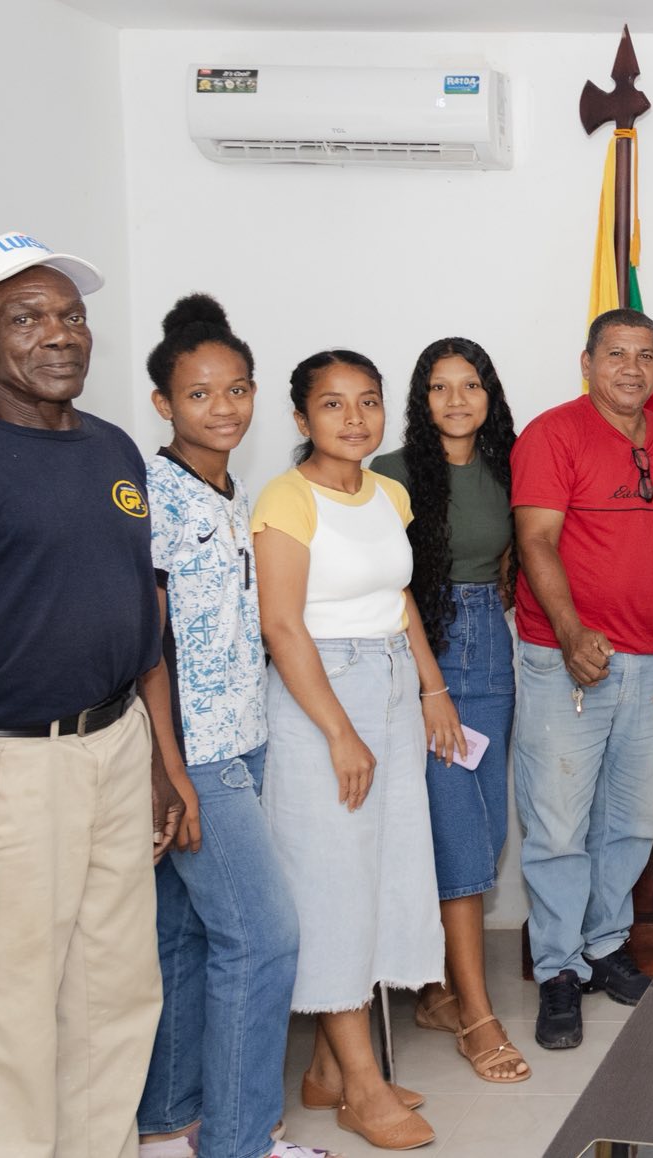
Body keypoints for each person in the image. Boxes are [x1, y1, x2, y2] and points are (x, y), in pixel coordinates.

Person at [0, 234, 174, 1158]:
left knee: (114, 1006)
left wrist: (153, 761)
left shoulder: (112, 449)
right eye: (26, 318)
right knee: (7, 1032)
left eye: (71, 315)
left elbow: (134, 618)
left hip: (113, 750)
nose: (59, 335)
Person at [253, 350, 461, 1152]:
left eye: (367, 401)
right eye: (333, 404)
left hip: (391, 680)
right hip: (320, 695)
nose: (354, 418)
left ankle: (327, 1071)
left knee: (385, 873)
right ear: (301, 418)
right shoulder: (286, 498)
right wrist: (340, 731)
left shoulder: (388, 493)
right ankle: (361, 1086)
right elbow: (281, 625)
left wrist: (432, 688)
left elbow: (397, 597)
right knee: (334, 885)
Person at [135, 297, 320, 1158]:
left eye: (237, 389)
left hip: (241, 736)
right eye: (200, 393)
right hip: (196, 754)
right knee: (261, 938)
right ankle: (239, 1144)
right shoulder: (153, 497)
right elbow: (146, 645)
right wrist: (170, 769)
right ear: (163, 403)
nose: (224, 408)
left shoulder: (230, 489)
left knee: (185, 934)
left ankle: (170, 1121)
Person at [511, 308, 653, 1050]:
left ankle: (606, 944)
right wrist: (569, 632)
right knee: (558, 825)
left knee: (629, 820)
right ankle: (558, 969)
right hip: (567, 660)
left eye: (646, 355)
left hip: (648, 661)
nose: (631, 368)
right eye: (616, 353)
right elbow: (535, 539)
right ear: (586, 363)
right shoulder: (551, 435)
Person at [371, 338, 530, 1086]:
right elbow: (387, 585)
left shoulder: (509, 468)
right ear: (421, 398)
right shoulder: (392, 473)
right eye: (440, 387)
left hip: (490, 651)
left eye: (471, 385)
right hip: (424, 655)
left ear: (489, 395)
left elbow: (515, 559)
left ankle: (435, 989)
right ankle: (477, 1016)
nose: (457, 400)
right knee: (461, 837)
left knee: (485, 831)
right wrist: (429, 685)